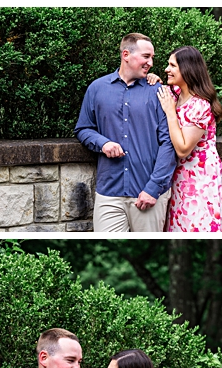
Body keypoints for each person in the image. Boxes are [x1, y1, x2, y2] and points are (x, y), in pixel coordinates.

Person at [75, 33, 178, 232]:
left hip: (148, 193)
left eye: (152, 58)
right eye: (146, 56)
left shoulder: (158, 91)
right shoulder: (97, 89)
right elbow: (83, 128)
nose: (151, 62)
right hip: (109, 193)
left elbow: (169, 143)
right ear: (126, 54)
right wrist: (102, 143)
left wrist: (153, 188)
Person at [157, 46, 222, 232]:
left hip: (199, 179)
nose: (167, 69)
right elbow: (160, 88)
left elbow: (183, 149)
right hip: (179, 177)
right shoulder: (175, 93)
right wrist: (153, 79)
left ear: (187, 69)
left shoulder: (200, 105)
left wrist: (170, 113)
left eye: (172, 65)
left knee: (196, 225)